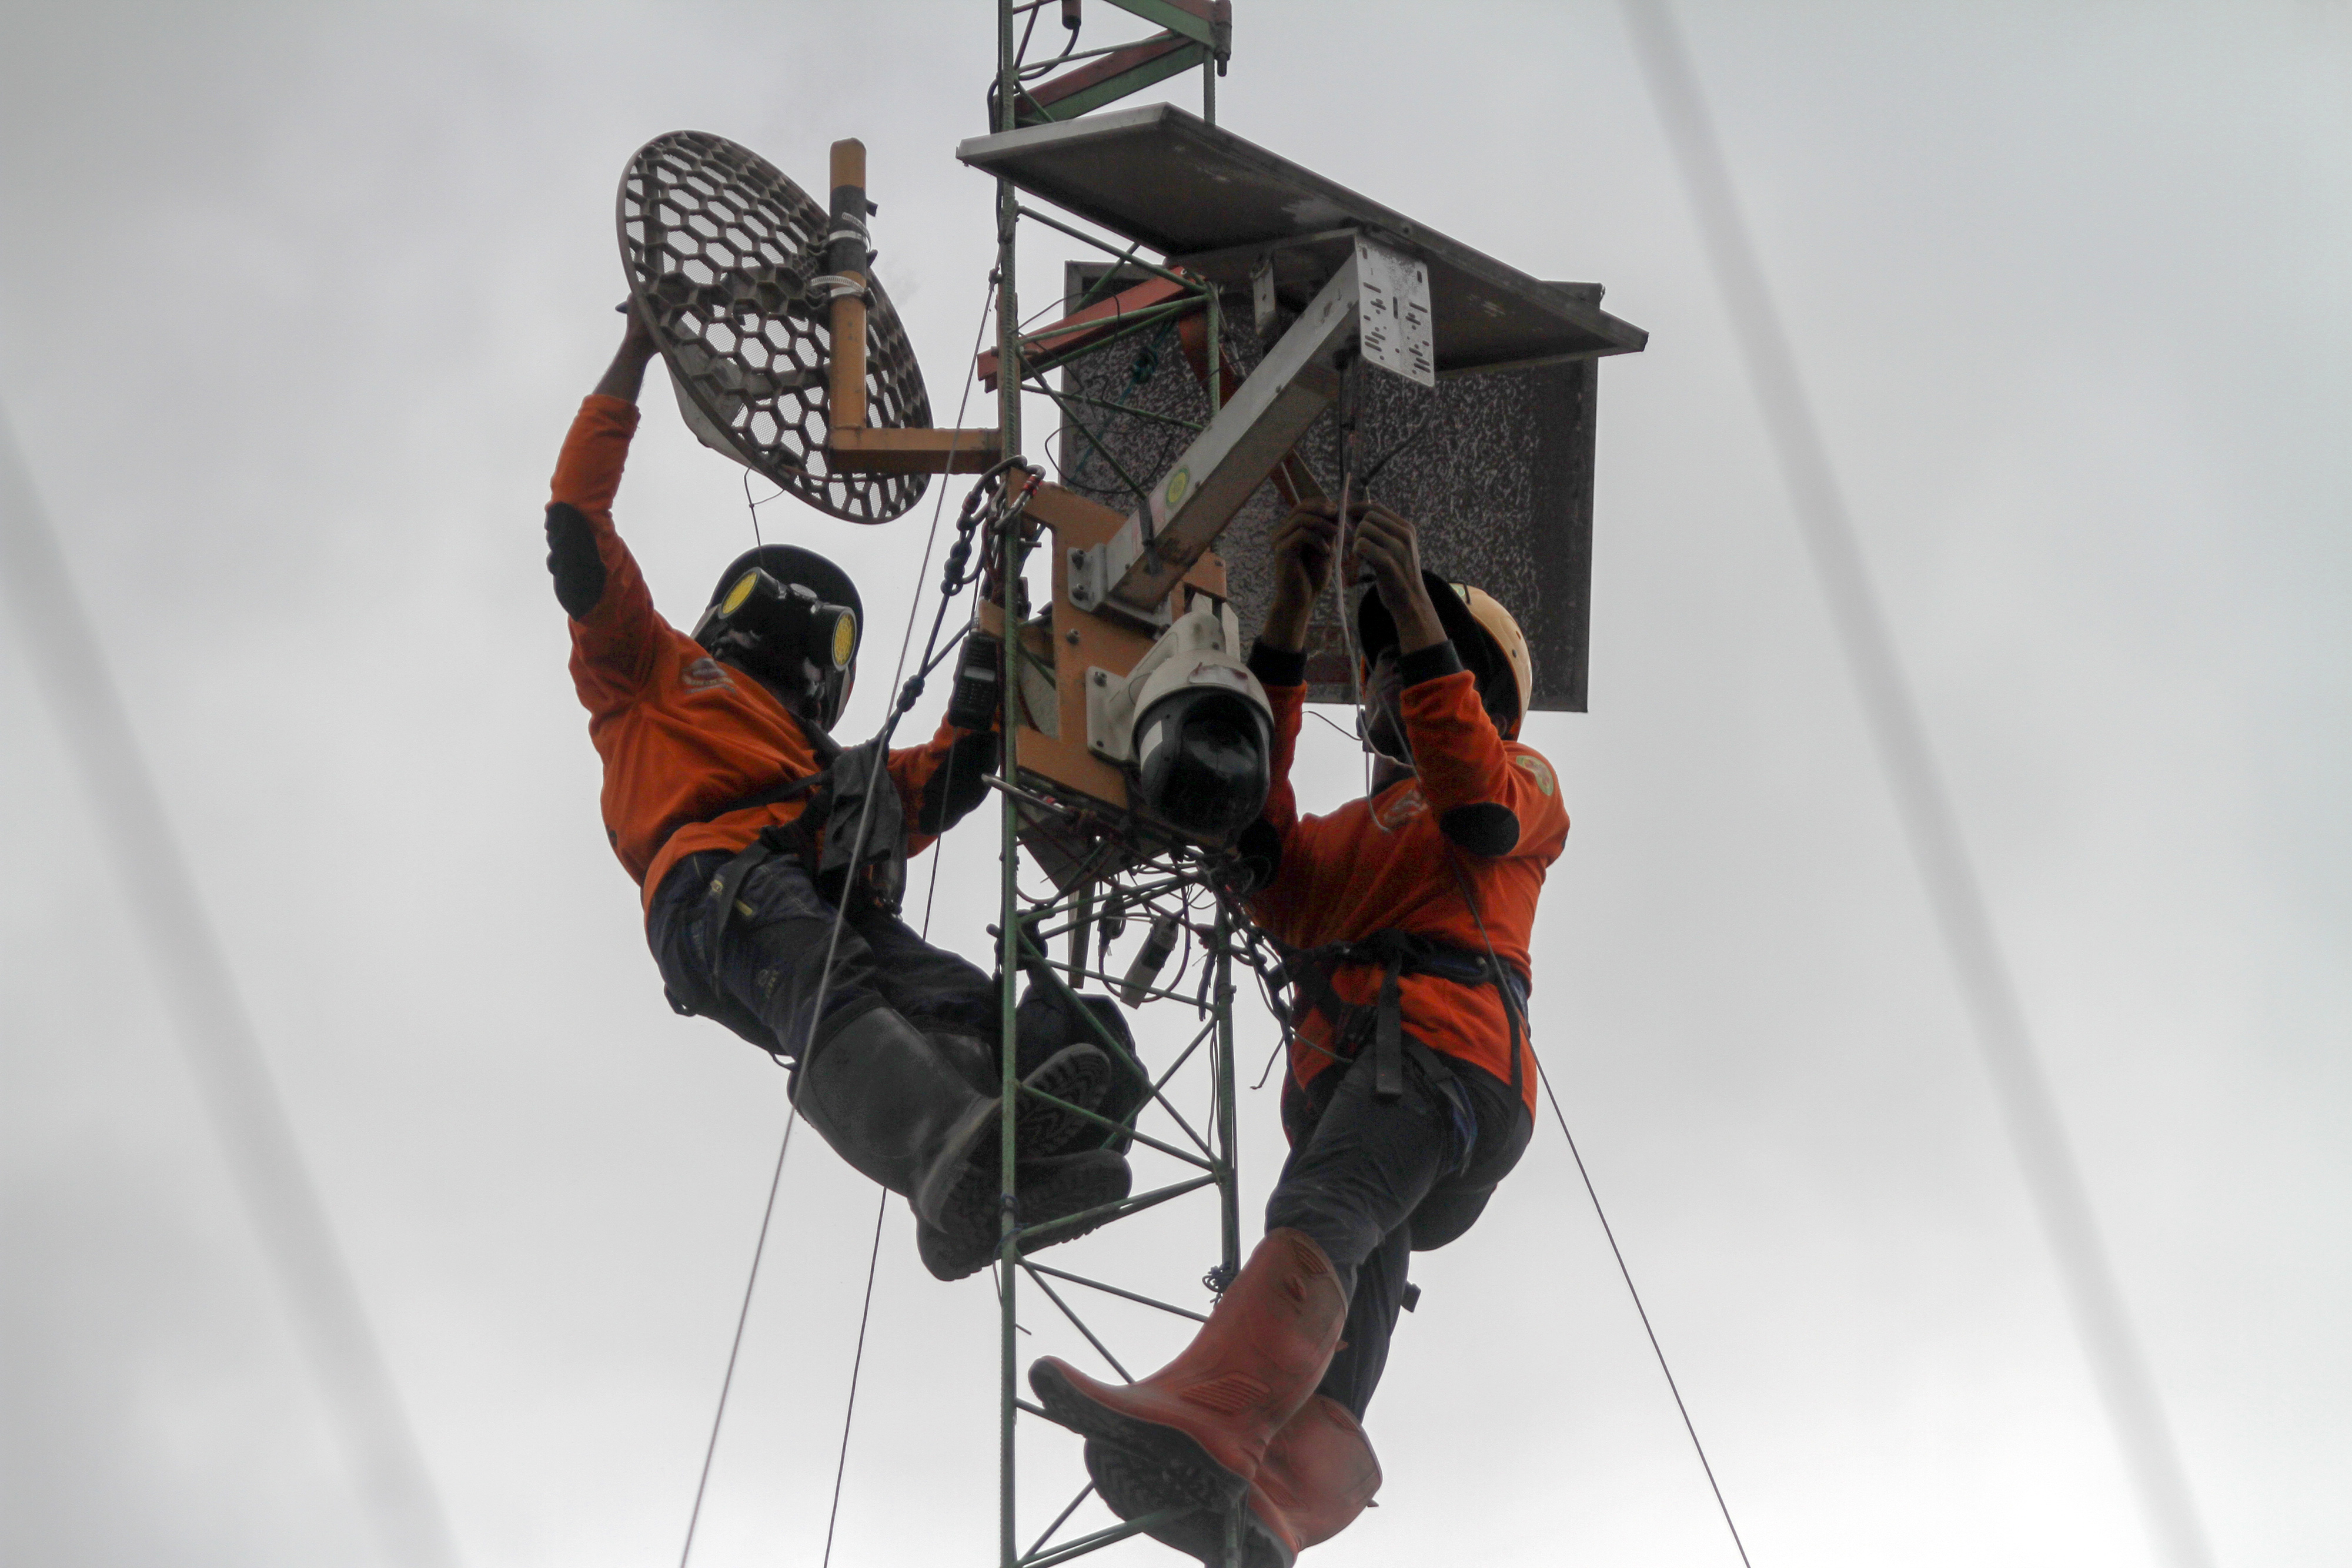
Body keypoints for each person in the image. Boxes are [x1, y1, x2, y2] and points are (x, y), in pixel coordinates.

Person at [546, 305, 1133, 1281]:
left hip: (814, 899)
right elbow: (577, 521)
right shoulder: (649, 666)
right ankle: (945, 1161)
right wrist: (637, 351)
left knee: (967, 1006)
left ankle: (1031, 1140)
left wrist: (996, 606)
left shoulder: (839, 783)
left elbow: (956, 766)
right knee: (821, 965)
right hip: (718, 891)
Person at [1029, 499, 1563, 1564]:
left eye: (1422, 665)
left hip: (1443, 1063)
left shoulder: (1523, 784)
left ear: (1479, 696)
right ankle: (1281, 1499)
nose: (1392, 681)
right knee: (1349, 1250)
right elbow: (1260, 844)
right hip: (1389, 1081)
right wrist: (1286, 617)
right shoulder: (1349, 841)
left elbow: (1480, 808)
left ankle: (1218, 1412)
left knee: (1323, 1213)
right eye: (1388, 667)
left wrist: (1411, 604)